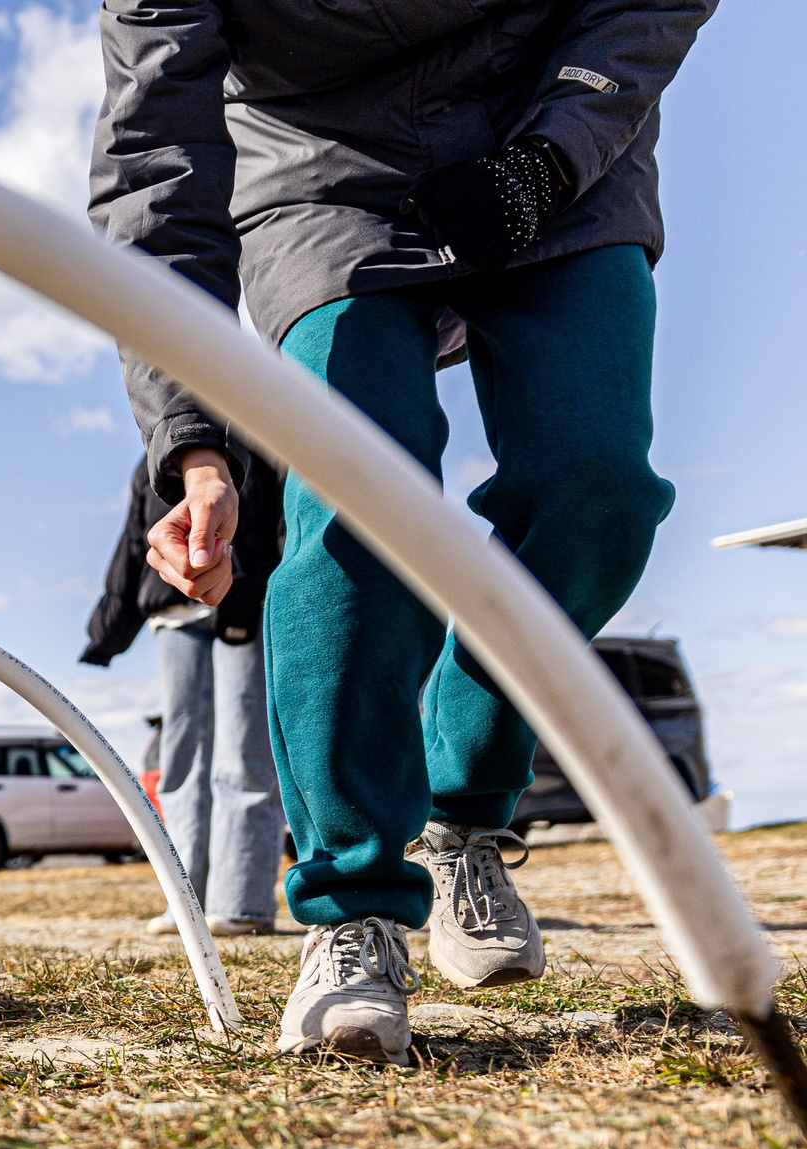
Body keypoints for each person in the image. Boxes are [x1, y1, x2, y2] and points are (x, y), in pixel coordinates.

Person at [91, 0, 710, 1063]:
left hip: (548, 130)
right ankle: (353, 911)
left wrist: (547, 163)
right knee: (358, 504)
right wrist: (192, 444)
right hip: (320, 169)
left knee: (594, 491)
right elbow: (155, 164)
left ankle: (465, 815)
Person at [82, 455, 286, 936]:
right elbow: (136, 542)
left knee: (244, 747)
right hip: (172, 615)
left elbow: (284, 524)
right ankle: (185, 901)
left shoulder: (265, 442)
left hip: (246, 603)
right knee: (181, 757)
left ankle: (242, 902)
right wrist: (107, 631)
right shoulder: (155, 458)